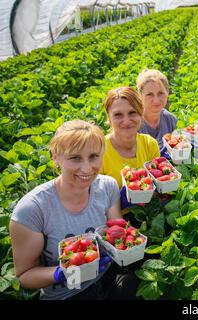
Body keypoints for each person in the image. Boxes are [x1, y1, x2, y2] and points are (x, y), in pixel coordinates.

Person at [9, 120, 141, 300]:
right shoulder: (33, 209)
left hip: (107, 278)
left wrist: (125, 234)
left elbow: (115, 233)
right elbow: (25, 276)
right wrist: (59, 273)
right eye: (75, 158)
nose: (87, 168)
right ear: (55, 156)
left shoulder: (107, 186)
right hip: (67, 294)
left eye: (94, 156)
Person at [100, 86, 160, 210]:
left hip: (147, 215)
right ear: (109, 118)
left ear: (141, 113)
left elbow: (157, 190)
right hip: (114, 223)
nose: (126, 121)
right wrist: (118, 200)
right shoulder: (99, 150)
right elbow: (93, 199)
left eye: (132, 113)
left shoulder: (149, 144)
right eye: (118, 115)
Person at [136, 69, 177, 152]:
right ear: (140, 95)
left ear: (167, 93)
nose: (156, 100)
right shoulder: (134, 124)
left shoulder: (171, 120)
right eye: (149, 95)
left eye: (160, 93)